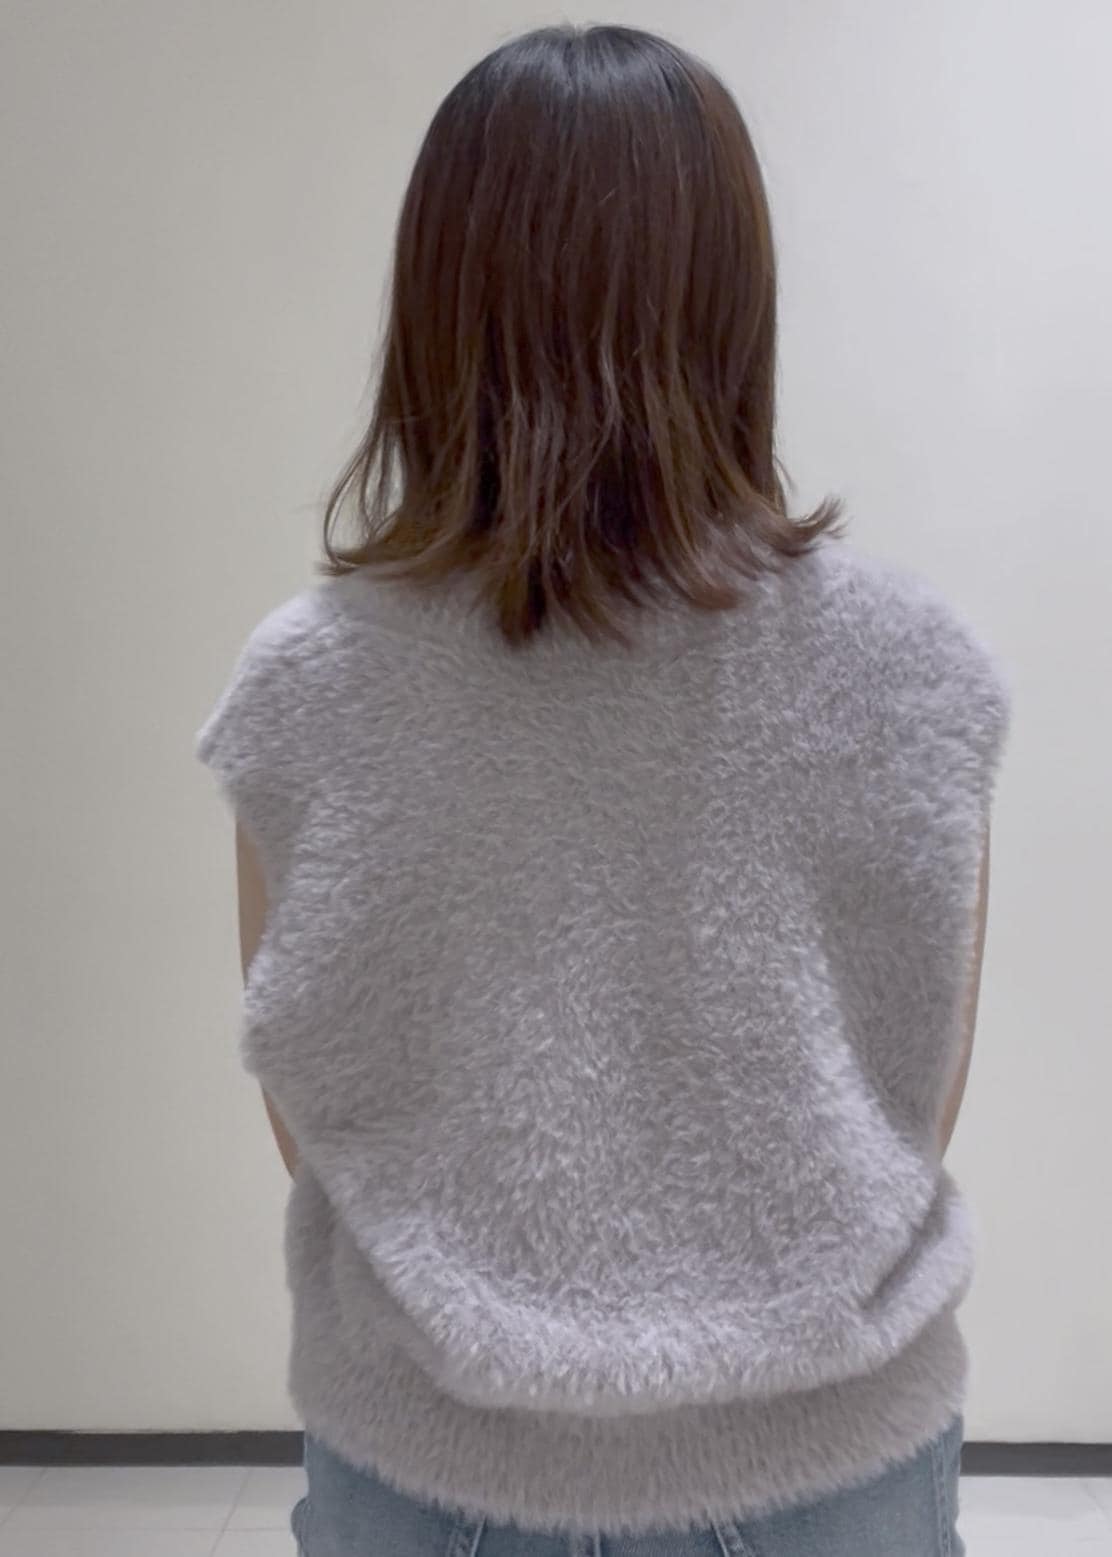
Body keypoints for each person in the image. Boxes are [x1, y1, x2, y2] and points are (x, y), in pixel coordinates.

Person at [197, 23, 1010, 1557]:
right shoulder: (912, 669)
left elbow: (317, 1115)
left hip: (437, 1459)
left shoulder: (312, 681)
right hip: (825, 1462)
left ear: (440, 299)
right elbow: (917, 1095)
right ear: (734, 297)